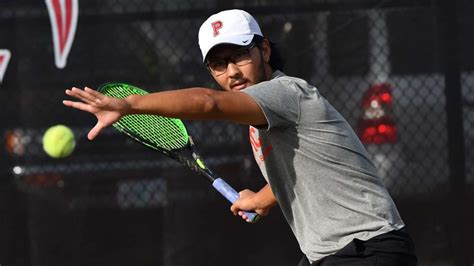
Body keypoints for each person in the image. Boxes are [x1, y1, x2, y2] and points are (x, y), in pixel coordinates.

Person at [63, 9, 417, 266]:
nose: (231, 72)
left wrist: (129, 105)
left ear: (263, 50)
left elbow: (207, 101)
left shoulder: (285, 93)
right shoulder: (261, 119)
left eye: (240, 56)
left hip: (367, 250)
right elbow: (309, 165)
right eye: (218, 65)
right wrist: (263, 198)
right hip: (333, 254)